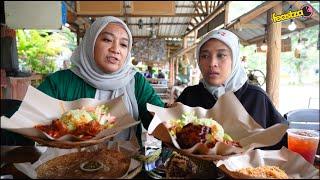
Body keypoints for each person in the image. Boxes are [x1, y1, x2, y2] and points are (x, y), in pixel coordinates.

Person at [37, 16, 164, 147]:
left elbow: (160, 120)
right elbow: (29, 119)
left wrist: (168, 123)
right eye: (107, 40)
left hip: (125, 162)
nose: (115, 49)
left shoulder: (136, 82)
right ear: (90, 42)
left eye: (123, 44)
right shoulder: (60, 82)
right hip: (66, 162)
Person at [176, 29, 288, 150]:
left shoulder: (257, 98)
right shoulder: (190, 96)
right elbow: (170, 139)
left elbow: (281, 142)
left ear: (234, 59)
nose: (212, 63)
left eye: (221, 55)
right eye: (205, 56)